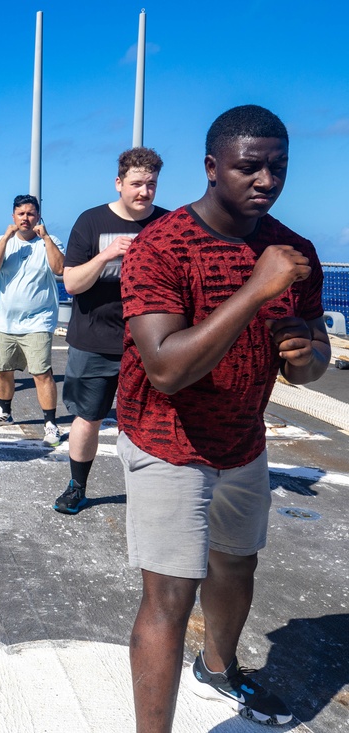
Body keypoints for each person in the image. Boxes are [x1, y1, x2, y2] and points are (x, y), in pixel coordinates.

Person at [118, 105, 329, 731]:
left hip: (243, 440)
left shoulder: (295, 252)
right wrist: (255, 289)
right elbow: (164, 368)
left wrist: (309, 355)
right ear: (212, 168)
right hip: (166, 439)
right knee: (170, 595)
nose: (266, 180)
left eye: (278, 168)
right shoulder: (161, 246)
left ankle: (218, 669)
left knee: (238, 563)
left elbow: (308, 358)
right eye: (249, 167)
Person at [52, 147, 168, 515]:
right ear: (119, 183)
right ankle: (77, 486)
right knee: (88, 417)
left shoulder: (168, 224)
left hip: (150, 343)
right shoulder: (90, 222)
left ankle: (150, 490)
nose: (144, 192)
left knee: (152, 421)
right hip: (94, 341)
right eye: (136, 184)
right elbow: (70, 283)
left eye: (151, 184)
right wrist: (105, 256)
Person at [0, 195, 64, 447]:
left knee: (41, 372)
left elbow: (60, 268)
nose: (25, 218)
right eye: (21, 214)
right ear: (13, 217)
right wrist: (5, 238)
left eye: (30, 213)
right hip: (6, 321)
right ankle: (4, 412)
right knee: (3, 370)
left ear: (38, 216)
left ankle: (50, 423)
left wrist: (47, 238)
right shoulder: (1, 241)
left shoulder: (51, 241)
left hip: (38, 321)